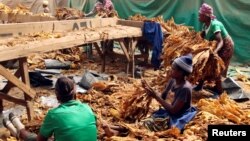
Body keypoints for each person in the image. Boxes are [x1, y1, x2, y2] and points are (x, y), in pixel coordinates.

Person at [3, 77, 97, 141]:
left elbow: (40, 140)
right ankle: (14, 124)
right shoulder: (87, 108)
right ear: (75, 93)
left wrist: (23, 132)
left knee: (32, 137)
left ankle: (18, 130)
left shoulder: (54, 114)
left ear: (56, 95)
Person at [141, 54, 197, 132]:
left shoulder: (185, 88)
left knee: (146, 125)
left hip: (177, 116)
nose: (170, 70)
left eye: (173, 69)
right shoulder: (173, 80)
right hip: (168, 112)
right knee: (144, 121)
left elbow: (174, 110)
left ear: (180, 73)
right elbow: (163, 96)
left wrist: (155, 95)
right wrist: (150, 91)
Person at [194, 3, 234, 95]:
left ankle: (219, 91)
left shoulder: (215, 24)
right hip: (217, 46)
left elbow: (221, 41)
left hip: (226, 46)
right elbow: (203, 35)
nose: (198, 17)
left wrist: (214, 53)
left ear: (206, 16)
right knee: (206, 64)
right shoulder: (205, 25)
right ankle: (200, 85)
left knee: (217, 66)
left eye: (200, 15)